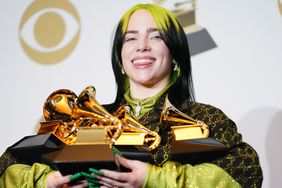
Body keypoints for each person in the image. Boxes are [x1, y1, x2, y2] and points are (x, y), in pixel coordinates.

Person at [0, 3, 263, 188]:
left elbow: (246, 173)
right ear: (120, 58)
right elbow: (6, 167)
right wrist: (47, 181)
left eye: (156, 37)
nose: (142, 47)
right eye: (131, 39)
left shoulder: (204, 117)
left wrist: (153, 179)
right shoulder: (81, 121)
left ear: (175, 55)